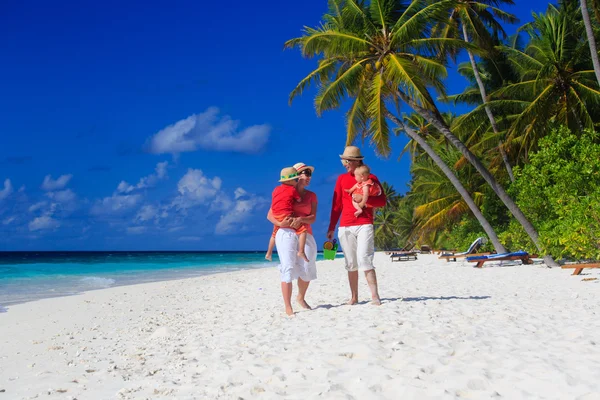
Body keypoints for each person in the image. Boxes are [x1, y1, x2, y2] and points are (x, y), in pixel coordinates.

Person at [327, 146, 386, 306]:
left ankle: (375, 296)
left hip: (364, 223)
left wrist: (364, 200)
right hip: (345, 225)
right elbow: (337, 204)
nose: (344, 164)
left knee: (364, 259)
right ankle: (354, 297)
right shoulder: (341, 179)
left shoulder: (370, 177)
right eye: (344, 161)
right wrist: (331, 226)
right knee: (351, 263)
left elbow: (382, 201)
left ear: (356, 161)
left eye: (347, 161)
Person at [267, 162, 318, 316]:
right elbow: (270, 214)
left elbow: (313, 217)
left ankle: (300, 297)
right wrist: (280, 223)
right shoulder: (284, 191)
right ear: (296, 175)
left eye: (310, 174)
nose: (308, 177)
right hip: (286, 232)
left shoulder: (311, 195)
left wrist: (301, 219)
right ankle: (288, 306)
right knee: (288, 267)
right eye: (305, 173)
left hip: (305, 233)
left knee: (308, 267)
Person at [269, 166, 309, 263]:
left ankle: (268, 252)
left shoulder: (276, 189)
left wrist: (279, 224)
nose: (297, 181)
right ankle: (301, 251)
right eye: (296, 179)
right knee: (303, 230)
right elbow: (299, 200)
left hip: (276, 215)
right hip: (286, 215)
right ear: (290, 181)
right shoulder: (292, 190)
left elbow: (274, 203)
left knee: (274, 235)